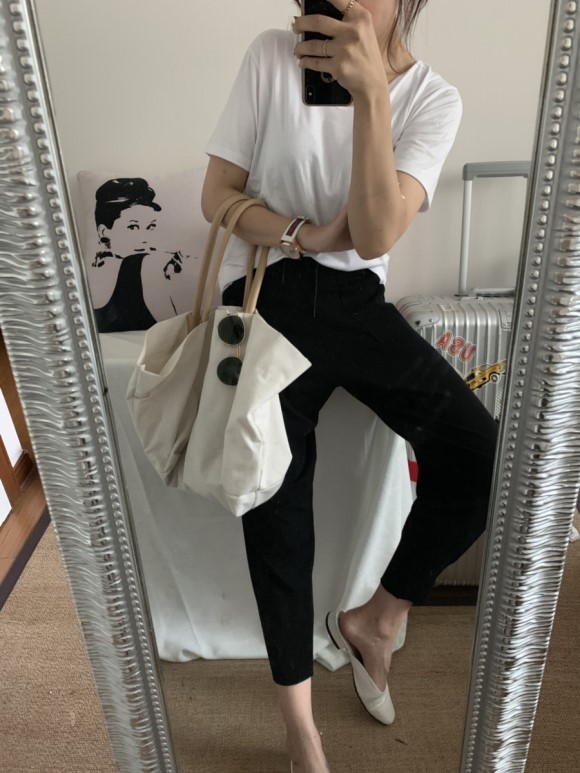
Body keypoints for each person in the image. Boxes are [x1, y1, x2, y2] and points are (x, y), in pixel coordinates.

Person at [201, 1, 498, 771]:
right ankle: (299, 724)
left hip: (356, 302)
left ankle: (377, 617)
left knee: (481, 453)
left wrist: (370, 94)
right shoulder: (271, 55)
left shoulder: (432, 97)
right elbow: (216, 195)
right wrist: (299, 234)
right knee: (275, 502)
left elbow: (373, 235)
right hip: (267, 295)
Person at [91, 178, 189, 332]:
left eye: (150, 227)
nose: (145, 238)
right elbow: (180, 333)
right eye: (132, 227)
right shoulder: (150, 264)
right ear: (104, 231)